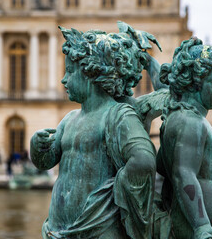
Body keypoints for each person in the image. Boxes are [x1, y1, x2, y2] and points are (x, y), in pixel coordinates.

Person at [31, 26, 159, 238]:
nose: (64, 80)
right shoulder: (69, 119)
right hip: (58, 229)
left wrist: (113, 192)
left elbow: (144, 160)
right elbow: (45, 162)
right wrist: (38, 147)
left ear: (92, 73)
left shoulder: (118, 115)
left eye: (70, 72)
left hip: (99, 228)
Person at [156, 37, 212, 239]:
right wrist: (202, 226)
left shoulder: (185, 118)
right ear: (193, 84)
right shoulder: (190, 122)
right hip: (203, 231)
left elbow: (165, 167)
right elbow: (183, 174)